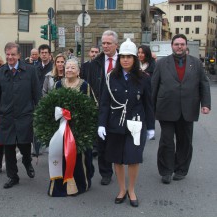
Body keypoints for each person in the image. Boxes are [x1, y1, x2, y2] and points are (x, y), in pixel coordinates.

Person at [98, 38, 155, 207]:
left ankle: (131, 189)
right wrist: (101, 123)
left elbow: (148, 104)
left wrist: (151, 126)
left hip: (136, 124)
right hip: (115, 123)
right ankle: (121, 189)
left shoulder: (144, 78)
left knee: (133, 158)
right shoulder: (111, 77)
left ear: (135, 59)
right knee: (117, 158)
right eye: (122, 57)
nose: (125, 60)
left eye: (129, 57)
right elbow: (104, 102)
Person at [152, 34, 211, 184]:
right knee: (166, 141)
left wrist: (205, 104)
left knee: (185, 141)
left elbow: (203, 84)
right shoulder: (161, 63)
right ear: (172, 46)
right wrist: (150, 108)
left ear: (186, 46)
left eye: (182, 44)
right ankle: (166, 171)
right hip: (166, 108)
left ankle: (181, 169)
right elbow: (154, 86)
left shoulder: (196, 64)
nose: (179, 47)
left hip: (188, 109)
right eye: (177, 44)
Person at [0, 42, 41, 189]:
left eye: (13, 54)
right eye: (7, 54)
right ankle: (13, 176)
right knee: (9, 149)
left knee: (25, 146)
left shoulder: (30, 71)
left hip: (25, 116)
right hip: (7, 118)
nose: (10, 57)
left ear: (19, 55)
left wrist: (40, 115)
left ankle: (27, 161)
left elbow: (37, 94)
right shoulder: (0, 72)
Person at [48, 58, 94, 197]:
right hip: (60, 127)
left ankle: (79, 183)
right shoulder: (57, 85)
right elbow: (51, 104)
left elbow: (90, 107)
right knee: (59, 154)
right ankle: (59, 184)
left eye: (72, 68)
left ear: (78, 71)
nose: (69, 70)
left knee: (78, 156)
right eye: (67, 67)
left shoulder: (84, 86)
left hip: (78, 129)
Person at [87, 30, 119, 185]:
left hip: (120, 109)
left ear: (116, 45)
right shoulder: (95, 63)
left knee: (116, 141)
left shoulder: (125, 61)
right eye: (103, 43)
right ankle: (105, 172)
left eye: (108, 43)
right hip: (100, 108)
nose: (105, 46)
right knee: (102, 143)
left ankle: (119, 167)